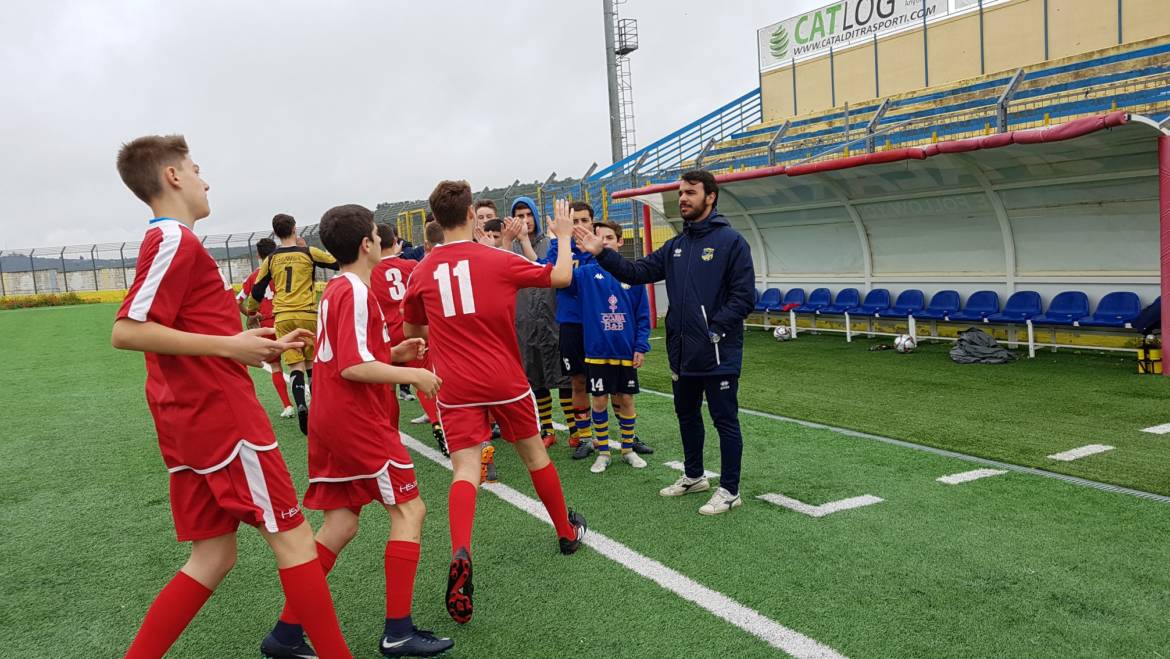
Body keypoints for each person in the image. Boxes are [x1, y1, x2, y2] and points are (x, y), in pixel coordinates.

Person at [110, 134, 351, 658]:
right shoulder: (173, 238)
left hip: (188, 419)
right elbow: (127, 329)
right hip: (221, 418)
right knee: (294, 542)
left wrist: (250, 348)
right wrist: (228, 345)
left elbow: (183, 329)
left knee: (212, 556)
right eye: (196, 168)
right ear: (173, 177)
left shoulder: (172, 241)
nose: (205, 178)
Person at [260, 205, 452, 658]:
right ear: (368, 244)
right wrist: (415, 376)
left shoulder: (336, 289)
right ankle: (399, 631)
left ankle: (286, 633)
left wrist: (395, 352)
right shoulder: (357, 291)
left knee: (341, 523)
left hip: (332, 419)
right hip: (356, 420)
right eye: (377, 236)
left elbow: (349, 353)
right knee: (410, 512)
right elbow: (352, 365)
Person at [402, 181, 587, 626]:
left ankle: (461, 550)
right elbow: (560, 277)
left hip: (455, 384)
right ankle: (565, 532)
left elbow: (414, 329)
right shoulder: (497, 259)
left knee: (466, 469)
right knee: (534, 454)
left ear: (435, 220)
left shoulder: (422, 271)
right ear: (471, 215)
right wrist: (561, 235)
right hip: (504, 378)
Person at [574, 170, 755, 515]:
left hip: (718, 351)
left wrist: (713, 330)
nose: (683, 198)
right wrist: (601, 253)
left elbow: (744, 297)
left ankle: (730, 489)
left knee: (724, 419)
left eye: (690, 192)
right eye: (680, 193)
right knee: (686, 415)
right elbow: (636, 272)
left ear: (710, 196)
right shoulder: (677, 245)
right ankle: (693, 476)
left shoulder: (731, 241)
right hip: (683, 352)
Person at [569, 221, 651, 474]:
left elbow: (642, 315)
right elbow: (558, 276)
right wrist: (563, 242)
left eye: (609, 237)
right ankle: (603, 452)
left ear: (620, 241)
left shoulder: (633, 274)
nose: (603, 241)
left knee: (626, 398)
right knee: (600, 399)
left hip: (625, 352)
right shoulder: (584, 274)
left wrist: (640, 346)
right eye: (599, 237)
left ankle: (627, 449)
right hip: (597, 352)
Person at [250, 213, 339, 435]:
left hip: (283, 317)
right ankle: (319, 408)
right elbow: (337, 263)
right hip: (307, 312)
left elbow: (258, 289)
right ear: (294, 229)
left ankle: (300, 404)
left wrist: (252, 310)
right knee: (311, 362)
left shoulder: (271, 259)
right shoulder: (308, 252)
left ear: (276, 232)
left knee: (295, 366)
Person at [371, 223, 448, 456]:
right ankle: (439, 425)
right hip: (412, 330)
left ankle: (390, 436)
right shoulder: (412, 265)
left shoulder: (370, 272)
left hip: (385, 334)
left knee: (387, 387)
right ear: (395, 242)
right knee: (423, 382)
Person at [508, 197, 570, 447]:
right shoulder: (509, 250)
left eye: (528, 215)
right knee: (535, 377)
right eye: (519, 216)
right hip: (524, 321)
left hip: (553, 319)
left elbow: (547, 269)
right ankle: (547, 428)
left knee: (564, 376)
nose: (525, 221)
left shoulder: (550, 243)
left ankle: (575, 430)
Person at [238, 237, 295, 418]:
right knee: (298, 363)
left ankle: (288, 406)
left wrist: (251, 314)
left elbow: (237, 300)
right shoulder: (285, 271)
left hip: (268, 325)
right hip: (288, 320)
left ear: (258, 255)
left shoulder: (254, 275)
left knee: (276, 366)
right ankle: (307, 399)